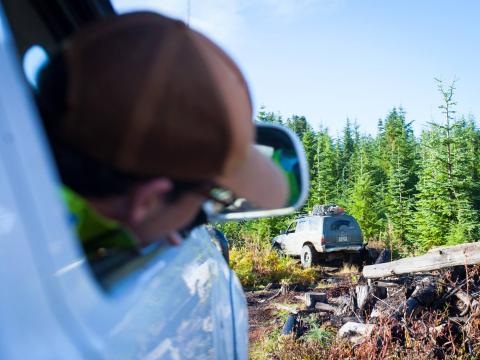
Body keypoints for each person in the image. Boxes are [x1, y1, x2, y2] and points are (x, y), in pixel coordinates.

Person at [35, 11, 288, 271]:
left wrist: (138, 228)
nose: (198, 212)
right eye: (209, 196)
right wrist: (149, 227)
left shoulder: (31, 218)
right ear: (149, 200)